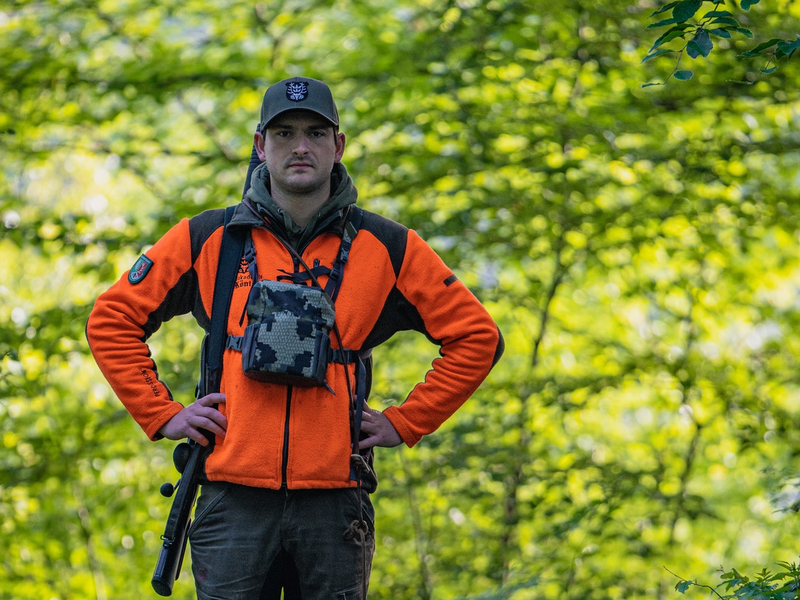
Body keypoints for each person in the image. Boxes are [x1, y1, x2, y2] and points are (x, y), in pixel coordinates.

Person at [86, 76, 504, 599]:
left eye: (315, 133)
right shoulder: (208, 238)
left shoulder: (389, 246)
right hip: (231, 500)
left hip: (334, 506)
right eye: (283, 133)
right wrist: (163, 412)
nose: (300, 146)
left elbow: (477, 337)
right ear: (260, 145)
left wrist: (408, 420)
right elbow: (111, 319)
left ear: (339, 145)